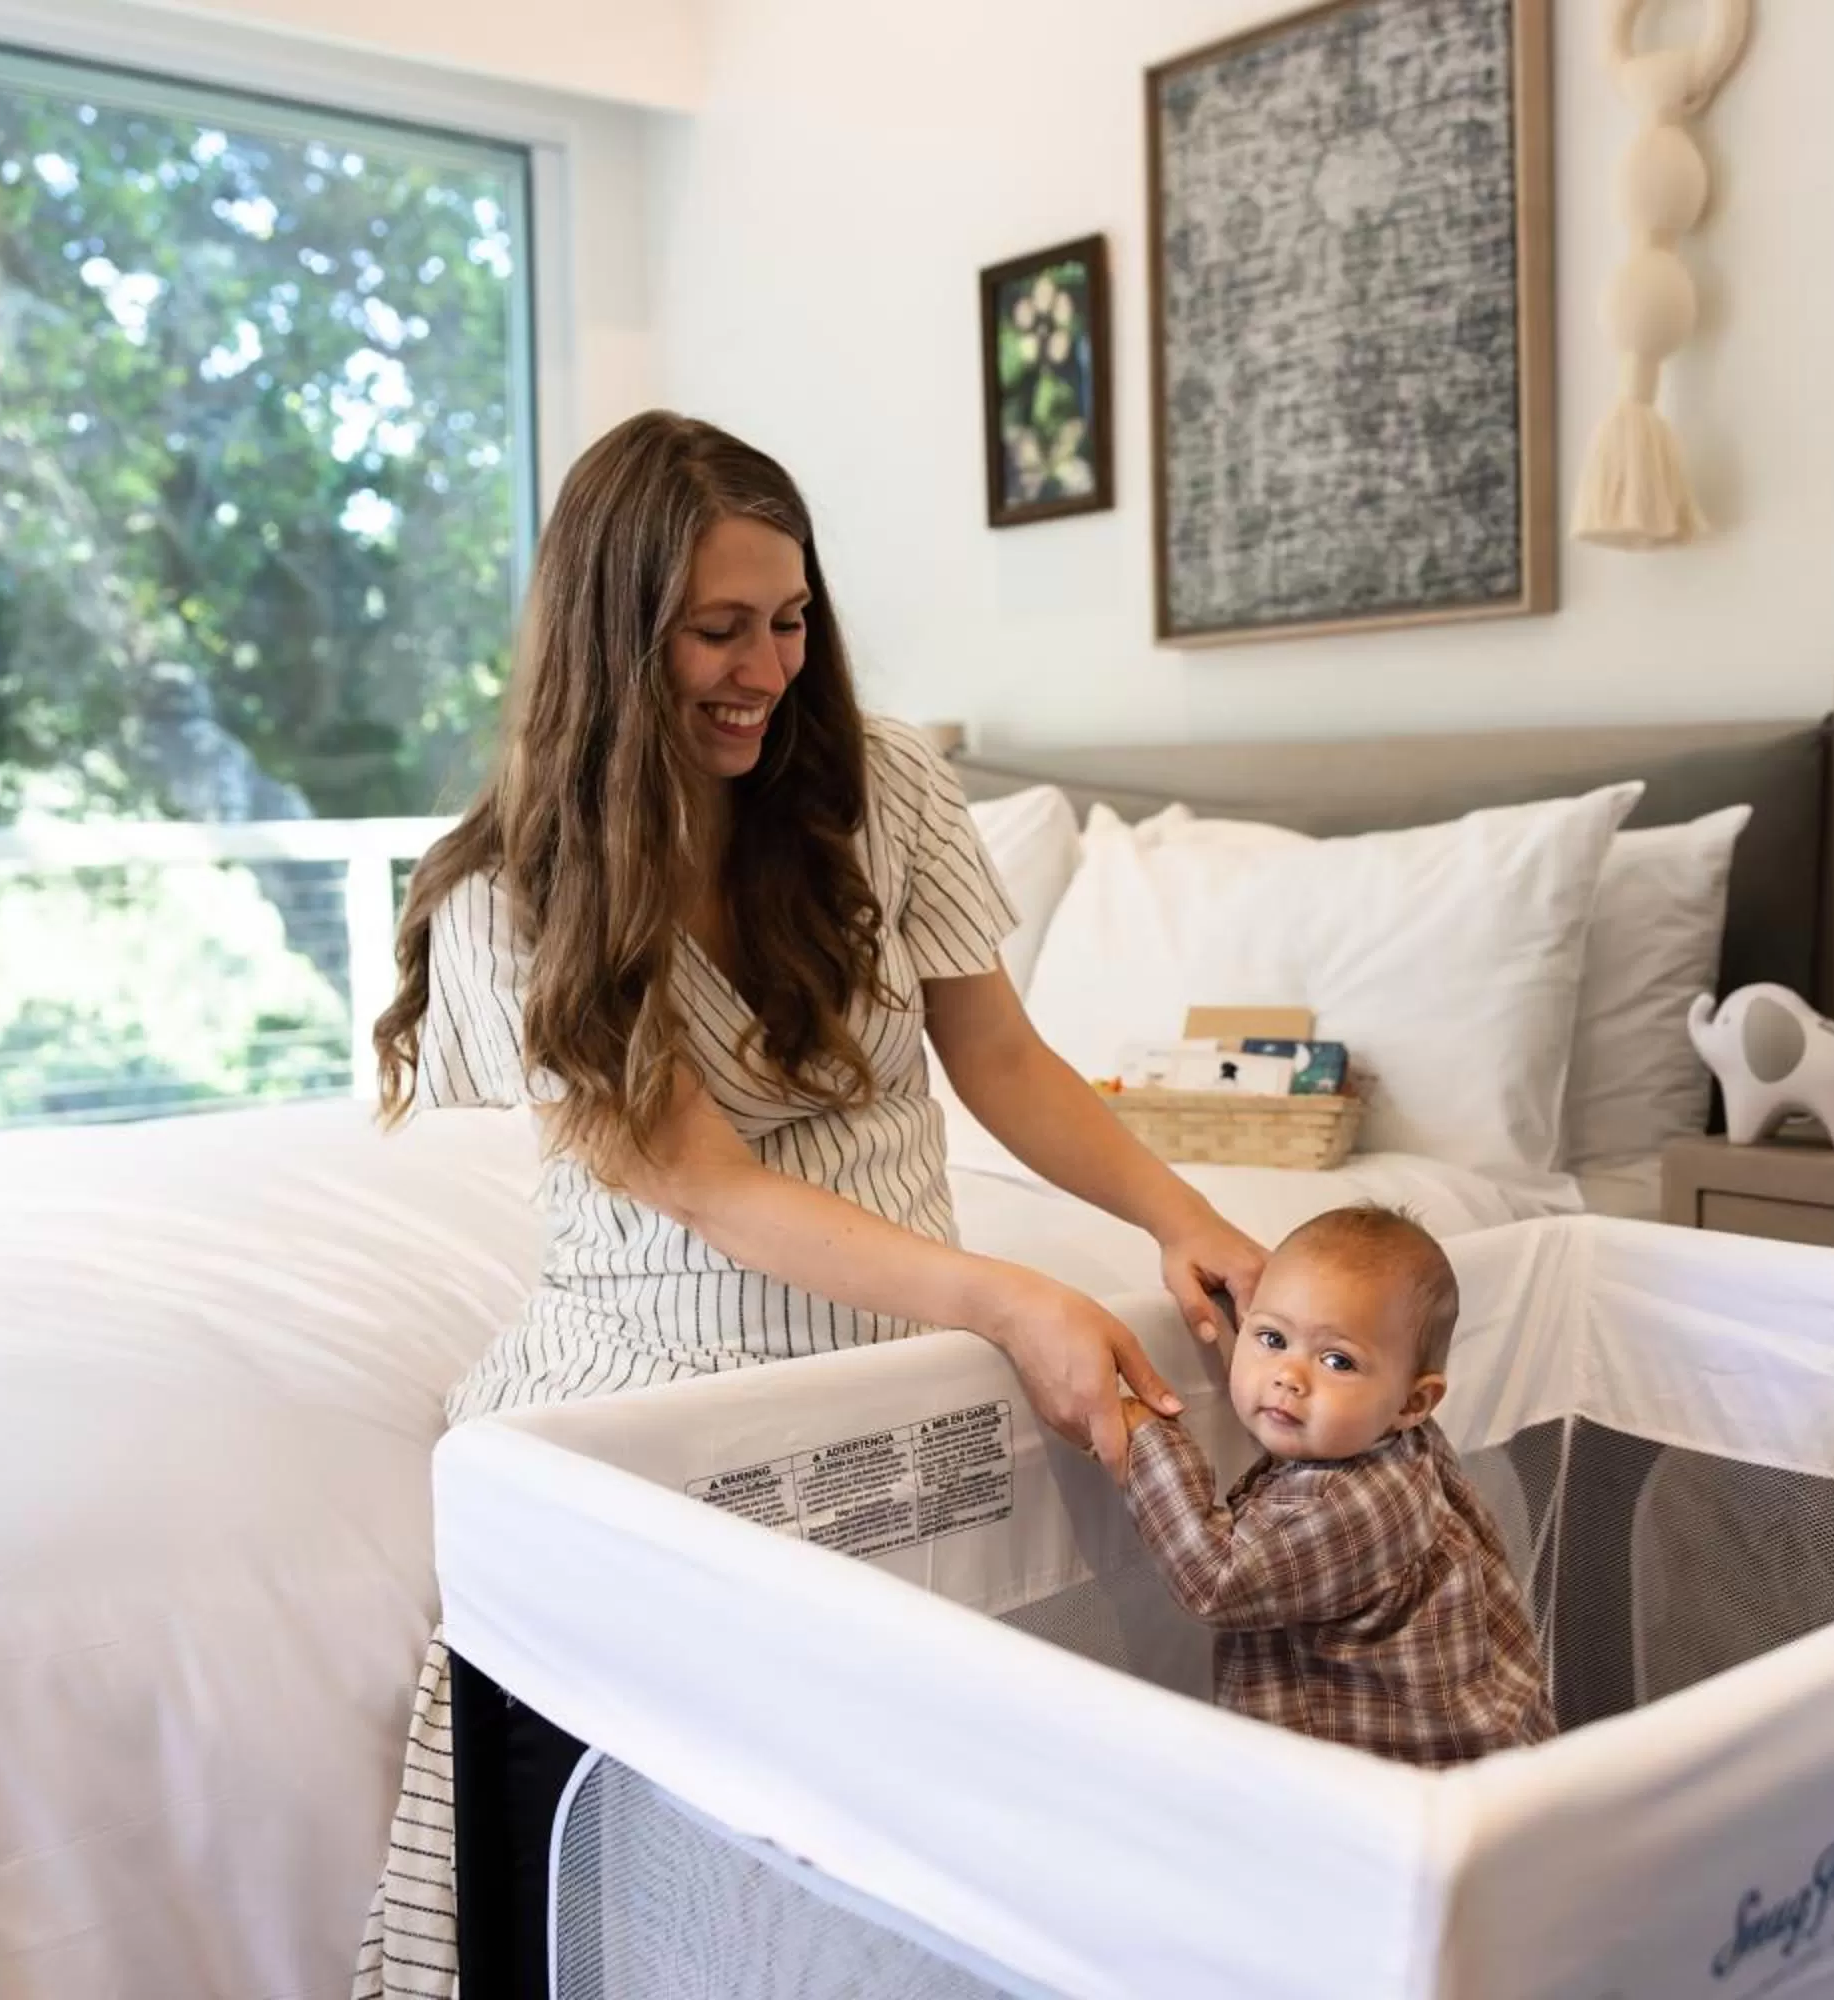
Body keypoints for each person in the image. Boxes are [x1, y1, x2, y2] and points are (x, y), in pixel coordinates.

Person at [351, 410, 1269, 1997]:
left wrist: (1178, 1219)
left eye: (787, 623)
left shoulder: (881, 781)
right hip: (657, 1371)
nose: (764, 670)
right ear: (613, 632)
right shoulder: (515, 893)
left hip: (895, 1346)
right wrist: (1008, 1299)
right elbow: (706, 1183)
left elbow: (998, 1055)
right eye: (717, 630)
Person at [1120, 1206, 1554, 1769]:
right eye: (1272, 1338)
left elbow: (1216, 1580)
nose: (1289, 1377)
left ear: (1412, 1403)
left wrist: (1146, 1438)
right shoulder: (1397, 1441)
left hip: (1396, 1793)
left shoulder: (1350, 1501)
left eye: (1336, 1360)